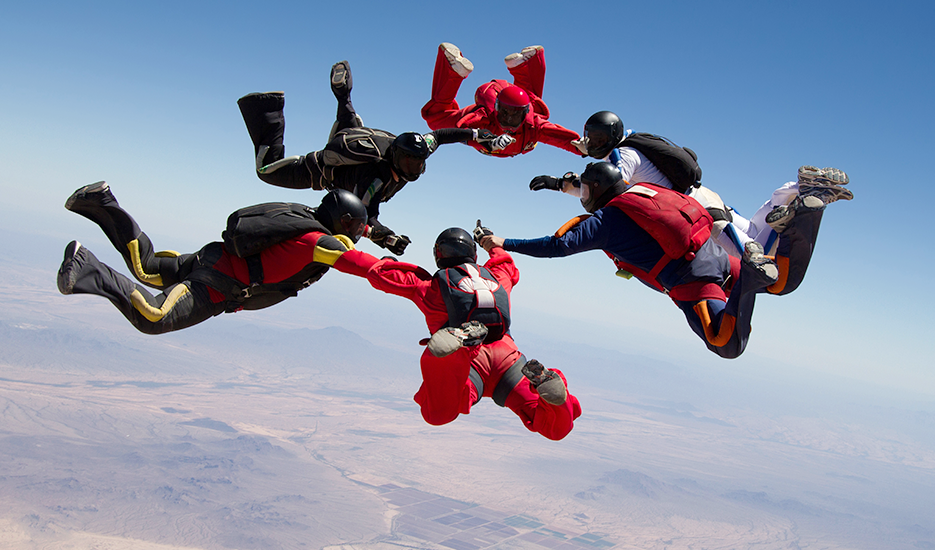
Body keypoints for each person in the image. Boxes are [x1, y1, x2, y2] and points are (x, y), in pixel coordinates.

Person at [484, 162, 841, 359]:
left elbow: (555, 245)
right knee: (780, 282)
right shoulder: (646, 191)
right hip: (714, 255)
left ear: (597, 192)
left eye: (588, 191)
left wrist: (504, 242)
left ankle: (749, 274)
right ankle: (808, 216)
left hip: (692, 279)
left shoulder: (604, 221)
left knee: (726, 343)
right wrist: (558, 183)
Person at [326, 224, 582, 440]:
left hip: (472, 363)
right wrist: (489, 242)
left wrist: (333, 252)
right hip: (509, 360)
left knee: (437, 414)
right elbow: (506, 263)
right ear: (473, 254)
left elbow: (375, 271)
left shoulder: (430, 287)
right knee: (556, 429)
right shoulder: (498, 278)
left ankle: (450, 352)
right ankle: (549, 385)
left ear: (438, 255)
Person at [239, 60, 506, 256]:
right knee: (266, 170)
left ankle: (344, 96)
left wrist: (480, 137)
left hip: (355, 138)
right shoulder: (376, 179)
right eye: (409, 163)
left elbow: (442, 135)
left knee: (348, 123)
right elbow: (366, 217)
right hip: (316, 170)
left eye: (418, 163)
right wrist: (387, 239)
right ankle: (266, 108)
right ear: (396, 156)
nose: (413, 168)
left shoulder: (417, 147)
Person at [57, 181, 366, 334]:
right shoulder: (319, 242)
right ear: (344, 222)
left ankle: (100, 201)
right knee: (153, 317)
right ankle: (86, 265)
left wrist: (377, 233)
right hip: (218, 285)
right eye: (355, 227)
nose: (354, 234)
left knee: (147, 268)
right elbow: (363, 265)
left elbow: (355, 230)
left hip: (213, 260)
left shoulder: (303, 221)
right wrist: (413, 280)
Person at [531, 111, 854, 257]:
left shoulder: (623, 156)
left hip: (698, 209)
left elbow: (605, 186)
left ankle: (788, 210)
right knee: (756, 230)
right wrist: (560, 182)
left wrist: (561, 184)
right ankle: (796, 189)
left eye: (600, 138)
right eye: (592, 137)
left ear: (612, 137)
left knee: (759, 254)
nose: (595, 143)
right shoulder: (638, 141)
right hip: (706, 197)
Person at [420, 43, 584, 158]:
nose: (509, 121)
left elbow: (559, 136)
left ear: (524, 114)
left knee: (529, 102)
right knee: (436, 119)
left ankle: (525, 65)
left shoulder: (532, 125)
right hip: (492, 105)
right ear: (497, 109)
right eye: (505, 114)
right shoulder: (484, 117)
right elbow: (460, 130)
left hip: (512, 113)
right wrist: (486, 139)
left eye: (515, 116)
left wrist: (583, 146)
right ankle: (526, 65)